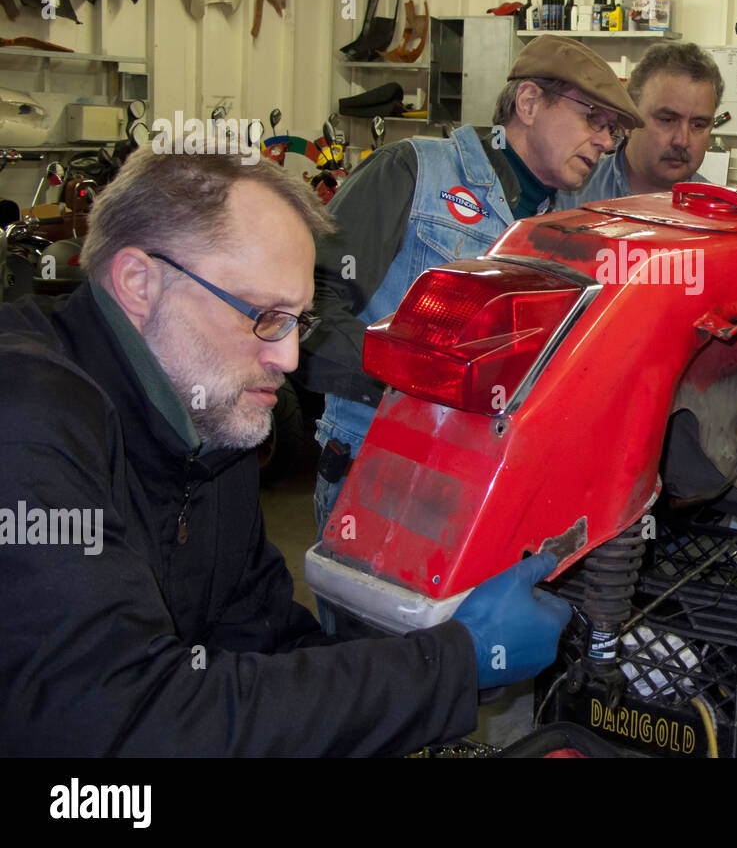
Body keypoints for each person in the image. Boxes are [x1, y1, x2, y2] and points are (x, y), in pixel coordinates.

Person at [0, 151, 572, 756]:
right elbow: (119, 725)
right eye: (264, 316)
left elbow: (267, 648)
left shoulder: (209, 438)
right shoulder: (27, 419)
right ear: (139, 283)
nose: (291, 359)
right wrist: (450, 665)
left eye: (298, 320)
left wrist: (442, 652)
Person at [299, 35, 643, 554]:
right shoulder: (413, 171)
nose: (604, 142)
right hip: (380, 471)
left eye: (612, 131)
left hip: (486, 486)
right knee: (375, 635)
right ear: (528, 103)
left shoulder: (561, 225)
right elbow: (308, 307)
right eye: (594, 120)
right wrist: (416, 383)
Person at [553, 41, 722, 208]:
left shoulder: (723, 213)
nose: (682, 140)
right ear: (630, 120)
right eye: (667, 120)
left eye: (698, 125)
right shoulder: (566, 193)